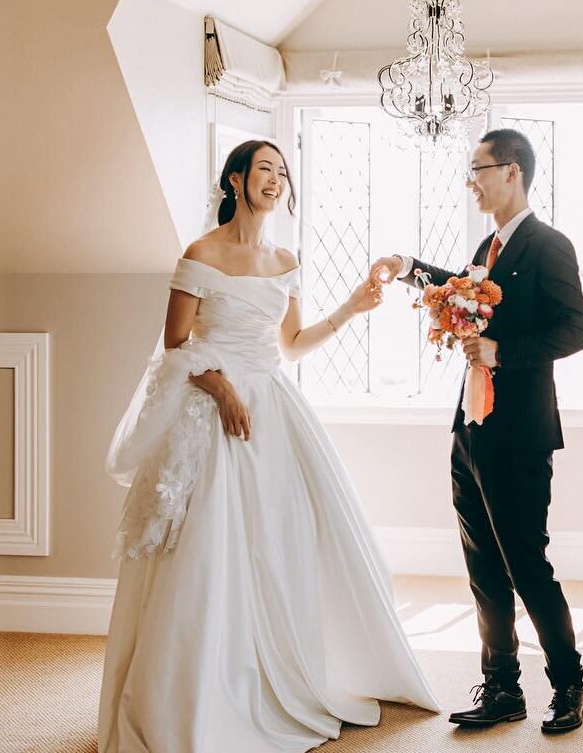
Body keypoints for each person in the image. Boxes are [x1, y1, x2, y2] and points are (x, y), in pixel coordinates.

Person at [99, 139, 439, 753]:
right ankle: (197, 695)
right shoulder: (200, 253)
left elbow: (292, 344)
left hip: (274, 409)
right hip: (214, 414)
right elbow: (176, 348)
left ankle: (271, 670)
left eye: (282, 171)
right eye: (264, 170)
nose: (276, 180)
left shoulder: (284, 258)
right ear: (235, 181)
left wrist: (353, 309)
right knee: (209, 550)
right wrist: (220, 386)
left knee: (281, 542)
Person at [371, 127, 583, 734]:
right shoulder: (489, 248)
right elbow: (455, 290)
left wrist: (500, 350)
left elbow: (576, 330)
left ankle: (569, 685)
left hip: (520, 432)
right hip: (470, 429)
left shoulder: (549, 246)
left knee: (526, 565)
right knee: (482, 569)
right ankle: (502, 689)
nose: (472, 181)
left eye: (479, 169)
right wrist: (410, 267)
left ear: (512, 171)